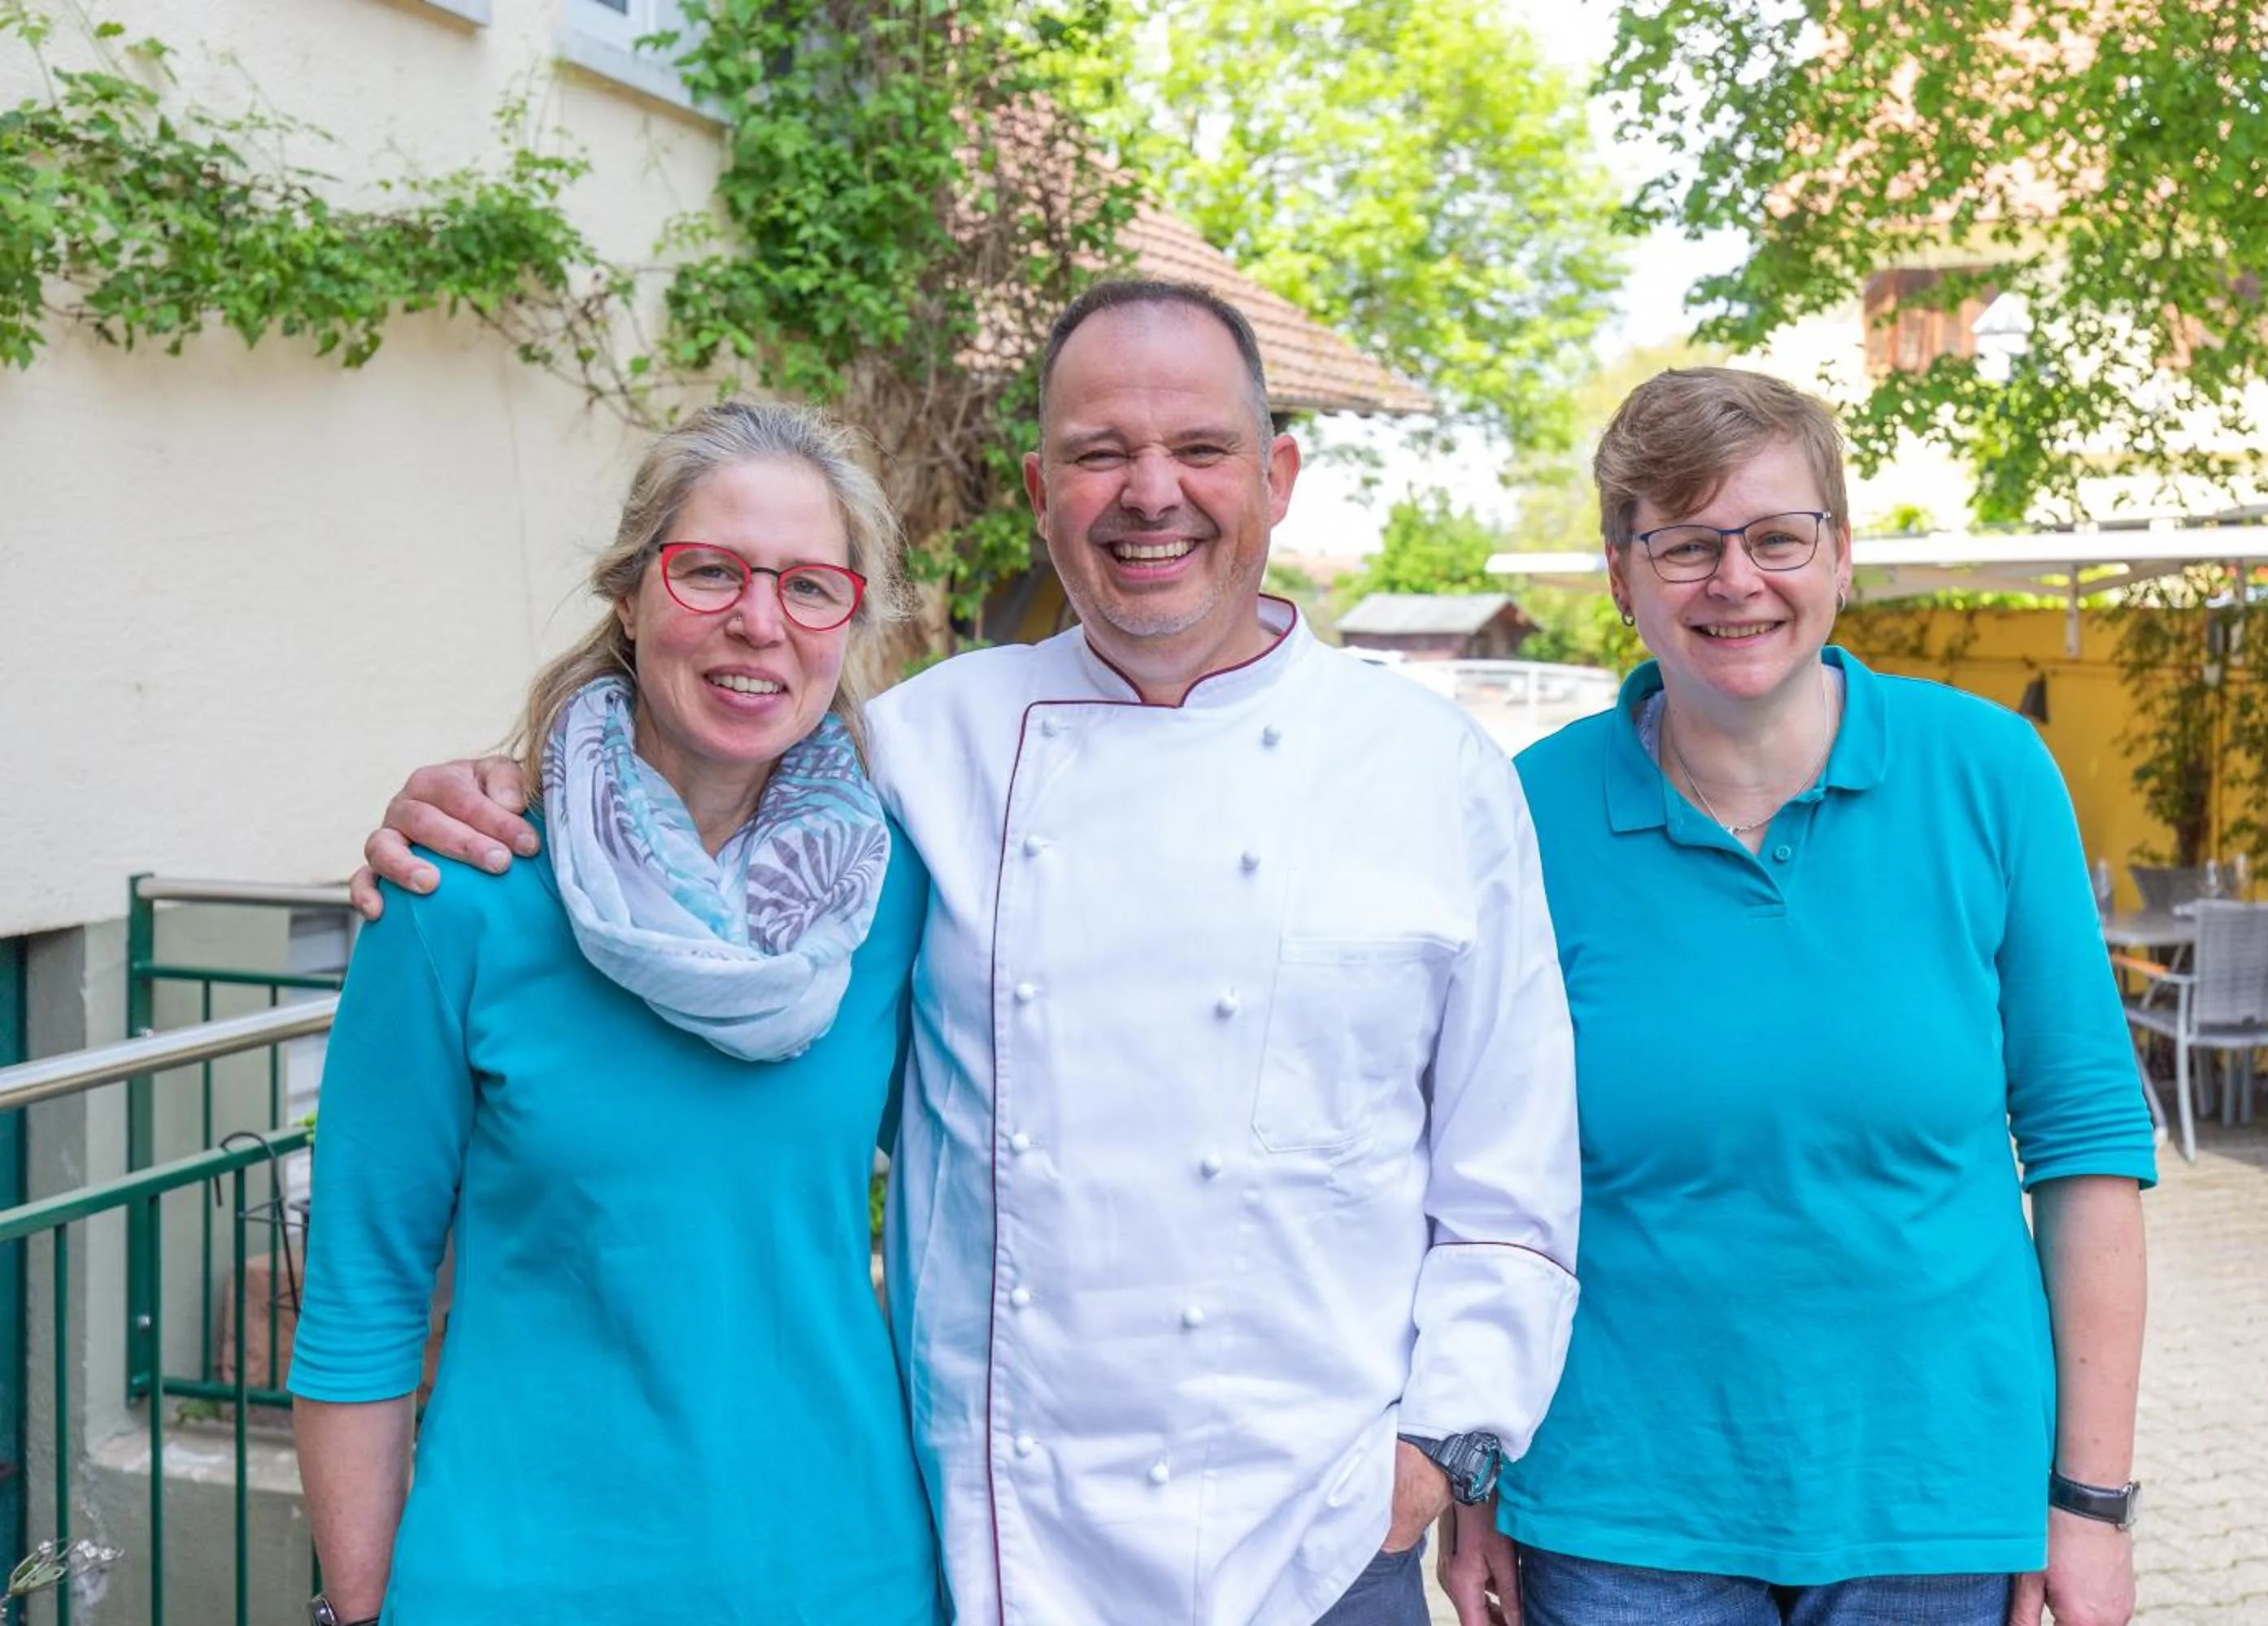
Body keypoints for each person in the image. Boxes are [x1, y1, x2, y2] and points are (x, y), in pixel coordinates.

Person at [350, 280, 1583, 1626]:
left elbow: (1509, 1180)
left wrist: (1434, 1455)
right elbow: (687, 815)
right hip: (1002, 1547)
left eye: (1201, 450)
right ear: (1040, 486)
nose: (1149, 493)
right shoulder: (909, 759)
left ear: (1278, 475)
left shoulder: (1432, 771)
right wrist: (486, 800)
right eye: (1101, 453)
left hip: (1320, 1547)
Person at [1435, 367, 2153, 1626]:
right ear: (1622, 574)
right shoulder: (1525, 814)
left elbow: (2087, 1147)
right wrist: (1470, 1466)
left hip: (1932, 1502)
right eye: (1686, 544)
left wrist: (2087, 1505)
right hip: (1618, 1511)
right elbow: (1470, 1174)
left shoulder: (1987, 774)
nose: (1737, 580)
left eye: (1777, 536)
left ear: (1840, 556)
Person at [289, 402, 945, 1626]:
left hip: (842, 1572)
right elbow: (363, 1285)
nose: (759, 622)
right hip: (517, 1580)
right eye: (709, 573)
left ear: (848, 622)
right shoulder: (458, 894)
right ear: (631, 595)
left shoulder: (897, 899)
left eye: (810, 587)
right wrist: (362, 1605)